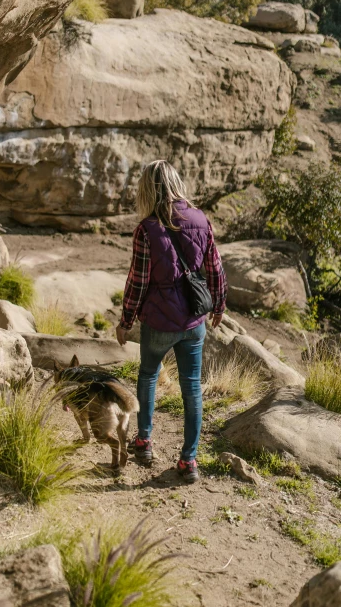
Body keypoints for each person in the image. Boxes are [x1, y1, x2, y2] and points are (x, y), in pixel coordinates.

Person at [116, 160, 227, 483]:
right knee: (192, 386)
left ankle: (144, 441)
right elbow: (215, 269)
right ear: (177, 183)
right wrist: (218, 305)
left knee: (149, 375)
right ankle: (188, 461)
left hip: (158, 321)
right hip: (194, 321)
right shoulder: (201, 219)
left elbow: (138, 281)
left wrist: (125, 321)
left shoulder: (146, 229)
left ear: (148, 189)